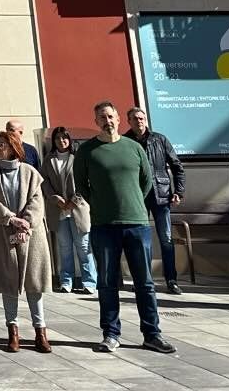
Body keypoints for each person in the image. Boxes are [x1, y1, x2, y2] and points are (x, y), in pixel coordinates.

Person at [73, 101, 175, 355]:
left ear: (119, 119)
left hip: (136, 223)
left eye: (111, 116)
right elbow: (81, 184)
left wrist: (132, 203)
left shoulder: (134, 148)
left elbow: (146, 182)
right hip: (104, 225)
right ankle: (111, 333)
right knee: (107, 282)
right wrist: (102, 204)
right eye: (102, 118)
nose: (107, 121)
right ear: (96, 122)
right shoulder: (87, 151)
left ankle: (152, 334)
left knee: (145, 283)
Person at [0, 131, 51, 353]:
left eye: (2, 144)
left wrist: (26, 222)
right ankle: (13, 331)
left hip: (31, 233)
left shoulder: (30, 172)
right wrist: (10, 218)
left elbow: (37, 201)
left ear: (12, 146)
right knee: (8, 283)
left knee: (34, 284)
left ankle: (40, 332)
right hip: (3, 233)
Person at [125, 106, 186, 294]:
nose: (139, 121)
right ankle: (142, 279)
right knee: (140, 240)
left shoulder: (159, 139)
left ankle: (171, 280)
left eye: (141, 118)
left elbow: (177, 166)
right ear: (129, 121)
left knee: (166, 239)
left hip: (162, 195)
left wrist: (179, 191)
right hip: (137, 197)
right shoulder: (125, 141)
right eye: (135, 118)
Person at [40, 126, 95, 296]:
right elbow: (44, 181)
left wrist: (74, 200)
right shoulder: (49, 159)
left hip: (78, 209)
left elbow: (86, 180)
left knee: (83, 247)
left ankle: (89, 282)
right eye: (57, 138)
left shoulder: (77, 157)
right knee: (64, 248)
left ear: (70, 140)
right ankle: (66, 281)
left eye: (64, 138)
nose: (61, 141)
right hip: (59, 210)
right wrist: (54, 198)